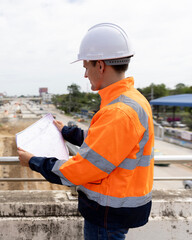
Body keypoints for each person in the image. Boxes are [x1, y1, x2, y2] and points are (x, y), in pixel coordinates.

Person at [18, 23, 154, 240]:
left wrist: (34, 161)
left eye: (86, 66)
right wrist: (70, 133)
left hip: (108, 211)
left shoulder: (118, 111)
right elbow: (110, 147)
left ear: (100, 65)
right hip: (118, 207)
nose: (84, 74)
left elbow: (82, 170)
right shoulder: (133, 100)